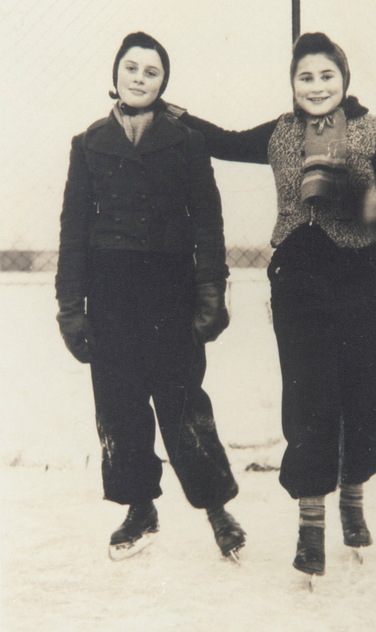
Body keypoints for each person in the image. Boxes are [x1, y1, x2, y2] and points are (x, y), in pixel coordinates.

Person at [167, 32, 376, 577]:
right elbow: (227, 140)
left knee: (365, 395)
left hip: (363, 279)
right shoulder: (282, 132)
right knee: (309, 401)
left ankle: (352, 496)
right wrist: (174, 112)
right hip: (299, 282)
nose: (317, 85)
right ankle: (311, 528)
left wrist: (372, 202)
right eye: (306, 76)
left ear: (344, 79)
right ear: (293, 84)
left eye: (327, 75)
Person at [55, 31, 245, 562]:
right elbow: (72, 233)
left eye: (152, 71)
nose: (139, 78)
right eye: (131, 68)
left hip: (170, 293)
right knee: (119, 406)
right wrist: (70, 308)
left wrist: (211, 290)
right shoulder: (88, 142)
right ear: (115, 74)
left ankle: (216, 509)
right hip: (109, 295)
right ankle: (139, 507)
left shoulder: (185, 141)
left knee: (183, 402)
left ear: (164, 83)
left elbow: (208, 221)